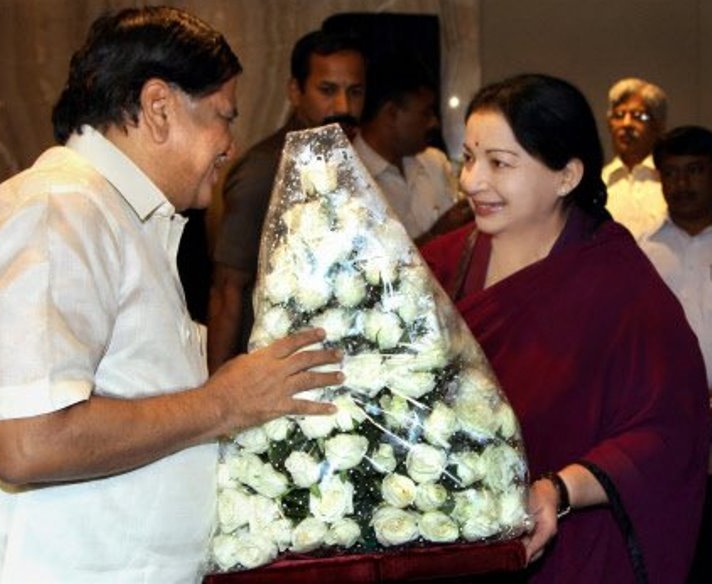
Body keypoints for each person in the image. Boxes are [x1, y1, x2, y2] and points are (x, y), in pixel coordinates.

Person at [0, 7, 343, 582]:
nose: (229, 144)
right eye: (222, 117)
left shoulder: (116, 217)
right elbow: (28, 441)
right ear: (159, 107)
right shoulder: (60, 208)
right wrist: (223, 403)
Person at [421, 74, 708, 582]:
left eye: (499, 163)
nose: (472, 181)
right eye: (468, 158)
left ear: (567, 175)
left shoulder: (616, 280)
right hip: (446, 545)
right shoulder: (440, 267)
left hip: (572, 548)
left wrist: (558, 489)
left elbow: (668, 427)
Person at [207, 29, 366, 373]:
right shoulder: (265, 170)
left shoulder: (347, 160)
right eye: (327, 91)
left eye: (355, 92)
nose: (344, 107)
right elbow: (226, 291)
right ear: (295, 91)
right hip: (271, 375)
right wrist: (216, 401)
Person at [639, 125, 712, 584]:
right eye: (672, 173)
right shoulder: (640, 253)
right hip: (667, 424)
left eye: (696, 171)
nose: (682, 184)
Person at [353, 57, 471, 245]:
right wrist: (436, 236)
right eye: (425, 113)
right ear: (391, 113)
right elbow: (371, 269)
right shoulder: (349, 176)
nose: (434, 122)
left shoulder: (434, 161)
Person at [602, 77, 668, 241]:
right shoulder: (599, 181)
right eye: (619, 115)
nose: (626, 124)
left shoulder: (670, 181)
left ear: (659, 126)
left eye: (639, 116)